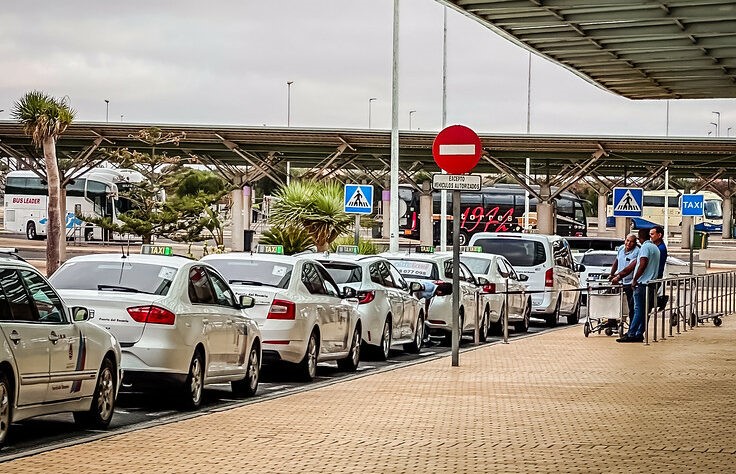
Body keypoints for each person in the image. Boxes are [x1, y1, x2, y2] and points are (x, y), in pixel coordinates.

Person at [617, 228, 660, 343]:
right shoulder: (655, 248)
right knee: (645, 310)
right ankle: (639, 333)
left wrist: (635, 279)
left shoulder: (645, 248)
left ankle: (631, 333)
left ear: (640, 238)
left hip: (642, 283)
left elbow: (643, 263)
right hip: (651, 283)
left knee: (638, 310)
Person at [609, 234, 639, 320]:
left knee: (631, 305)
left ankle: (631, 328)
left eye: (631, 241)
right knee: (613, 301)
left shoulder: (637, 252)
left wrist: (618, 276)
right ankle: (612, 321)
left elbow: (629, 269)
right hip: (619, 281)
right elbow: (617, 261)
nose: (628, 243)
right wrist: (612, 274)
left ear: (635, 243)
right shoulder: (621, 248)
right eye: (627, 241)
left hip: (630, 282)